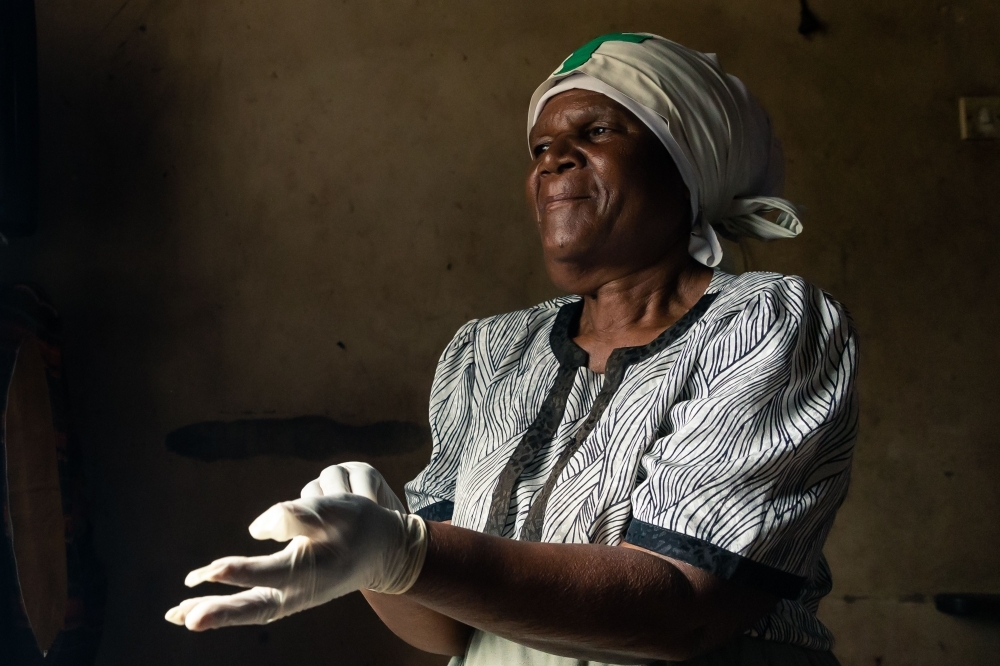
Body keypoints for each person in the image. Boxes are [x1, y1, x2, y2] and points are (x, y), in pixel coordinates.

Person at [166, 33, 857, 665]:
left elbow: (683, 611)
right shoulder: (490, 352)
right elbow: (446, 630)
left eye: (597, 130)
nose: (554, 156)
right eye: (539, 146)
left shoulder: (764, 321)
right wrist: (374, 562)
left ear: (689, 166)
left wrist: (407, 551)